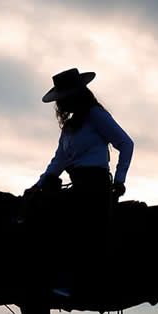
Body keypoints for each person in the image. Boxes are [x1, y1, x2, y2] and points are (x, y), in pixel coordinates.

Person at [29, 67, 134, 297]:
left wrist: (120, 180)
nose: (60, 104)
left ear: (74, 95)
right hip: (78, 184)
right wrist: (38, 185)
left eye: (62, 98)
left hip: (95, 186)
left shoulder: (96, 115)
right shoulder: (69, 127)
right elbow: (59, 160)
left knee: (69, 223)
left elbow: (126, 143)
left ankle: (72, 281)